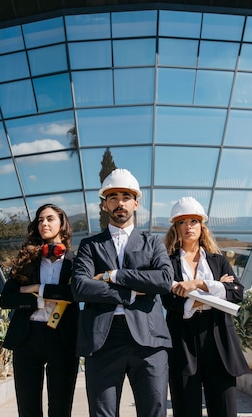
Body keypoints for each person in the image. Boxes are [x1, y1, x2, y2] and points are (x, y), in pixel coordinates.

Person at [71, 168, 174, 417]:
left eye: (126, 197)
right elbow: (81, 287)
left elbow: (164, 280)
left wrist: (113, 275)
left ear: (136, 203)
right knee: (102, 413)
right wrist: (129, 293)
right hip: (102, 340)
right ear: (105, 204)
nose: (120, 203)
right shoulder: (89, 246)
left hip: (149, 339)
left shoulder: (153, 243)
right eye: (113, 197)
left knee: (153, 411)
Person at [161, 197, 250, 417]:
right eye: (182, 222)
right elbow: (168, 300)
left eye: (193, 221)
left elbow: (237, 293)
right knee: (186, 410)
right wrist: (217, 289)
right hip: (182, 338)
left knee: (225, 411)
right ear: (176, 228)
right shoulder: (167, 262)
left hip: (218, 335)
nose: (188, 226)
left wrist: (196, 285)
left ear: (202, 226)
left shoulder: (218, 260)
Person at [0, 203, 79, 417]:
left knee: (61, 409)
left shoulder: (76, 263)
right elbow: (6, 299)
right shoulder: (27, 260)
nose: (44, 223)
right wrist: (39, 301)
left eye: (50, 219)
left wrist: (37, 289)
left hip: (62, 339)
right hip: (27, 337)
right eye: (40, 220)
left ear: (62, 224)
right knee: (28, 409)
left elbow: (76, 293)